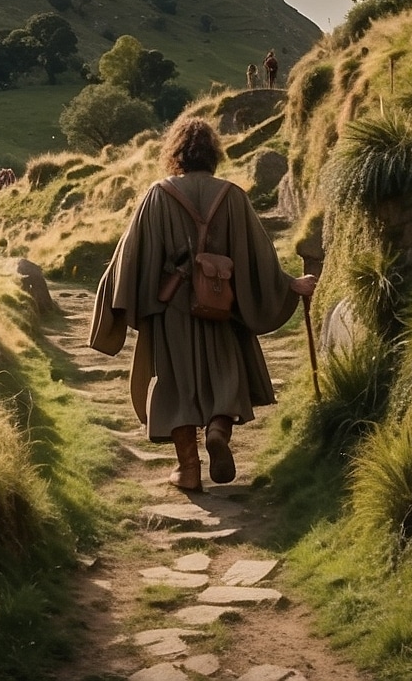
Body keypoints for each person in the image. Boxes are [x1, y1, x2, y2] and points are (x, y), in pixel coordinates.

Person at [90, 118, 317, 491]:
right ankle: (217, 432)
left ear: (176, 153)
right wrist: (289, 283)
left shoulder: (157, 195)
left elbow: (130, 255)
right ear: (213, 154)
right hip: (221, 305)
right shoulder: (232, 196)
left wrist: (113, 299)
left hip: (173, 310)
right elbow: (258, 256)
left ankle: (189, 468)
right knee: (226, 375)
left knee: (175, 384)